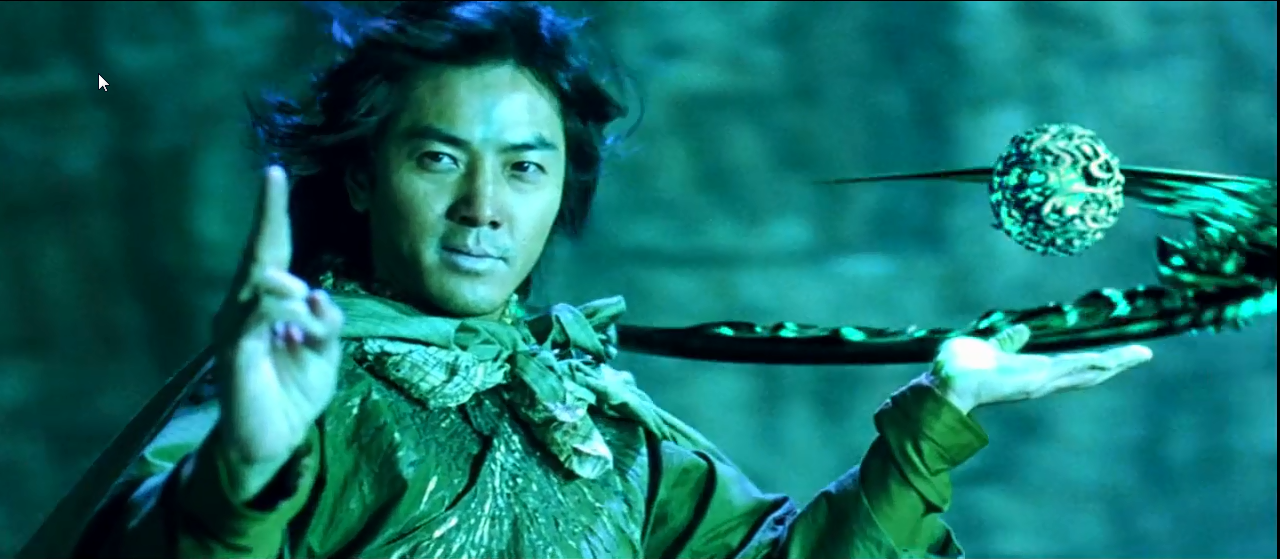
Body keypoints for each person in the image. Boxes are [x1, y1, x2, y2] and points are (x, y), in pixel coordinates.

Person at [63, 2, 1154, 558]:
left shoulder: (593, 416)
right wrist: (245, 466)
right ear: (361, 176)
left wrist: (940, 409)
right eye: (438, 158)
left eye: (524, 167)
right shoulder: (290, 383)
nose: (483, 205)